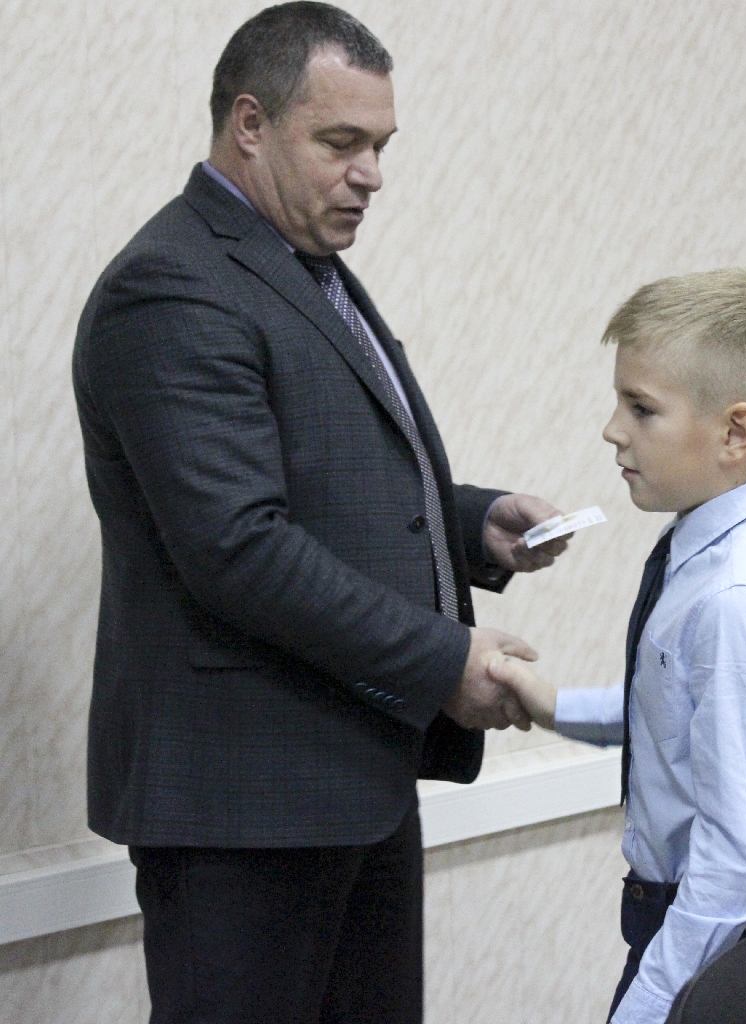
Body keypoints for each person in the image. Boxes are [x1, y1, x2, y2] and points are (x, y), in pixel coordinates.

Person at [72, 4, 570, 1022]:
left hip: (353, 781)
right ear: (250, 125)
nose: (371, 174)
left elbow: (320, 484)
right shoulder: (172, 285)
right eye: (341, 142)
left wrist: (470, 523)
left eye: (381, 145)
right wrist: (446, 660)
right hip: (242, 809)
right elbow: (239, 548)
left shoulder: (298, 266)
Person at [489, 269, 746, 1024]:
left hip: (745, 923)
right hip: (705, 914)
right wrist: (552, 705)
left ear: (736, 433)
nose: (612, 429)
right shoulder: (702, 552)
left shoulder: (739, 602)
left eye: (641, 408)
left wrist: (646, 1010)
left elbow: (734, 866)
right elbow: (680, 718)